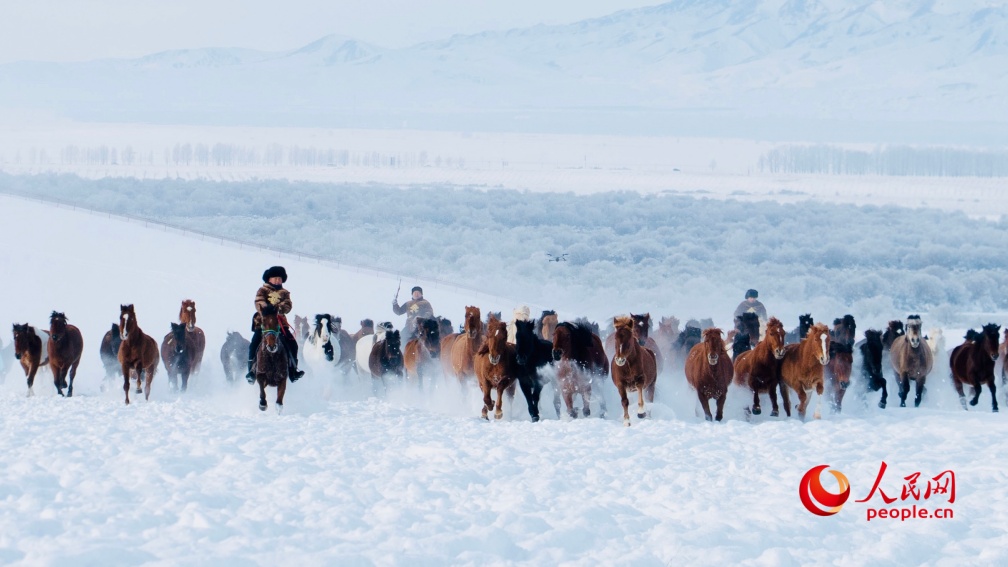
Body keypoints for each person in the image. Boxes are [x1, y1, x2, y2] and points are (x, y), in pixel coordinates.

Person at [247, 266, 304, 382]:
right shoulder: (262, 290)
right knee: (254, 344)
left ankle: (293, 371)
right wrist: (268, 309)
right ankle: (252, 371)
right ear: (269, 279)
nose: (278, 280)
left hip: (279, 325)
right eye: (275, 278)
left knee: (293, 344)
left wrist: (278, 309)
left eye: (280, 278)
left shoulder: (285, 293)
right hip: (263, 324)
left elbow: (288, 306)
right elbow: (259, 302)